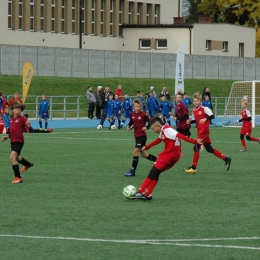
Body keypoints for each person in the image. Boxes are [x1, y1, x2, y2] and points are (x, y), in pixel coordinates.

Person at [129, 117, 202, 200]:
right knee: (156, 173)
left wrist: (194, 141)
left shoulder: (168, 130)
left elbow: (180, 135)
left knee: (153, 172)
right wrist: (147, 147)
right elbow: (159, 140)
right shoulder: (163, 129)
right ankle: (148, 193)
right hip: (174, 156)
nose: (153, 131)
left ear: (159, 126)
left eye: (153, 129)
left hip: (169, 155)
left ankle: (140, 192)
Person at [184, 92, 232, 174]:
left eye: (197, 101)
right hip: (199, 131)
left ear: (200, 101)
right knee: (209, 149)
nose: (196, 102)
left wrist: (206, 119)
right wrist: (190, 121)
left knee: (196, 147)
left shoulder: (204, 108)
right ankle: (226, 159)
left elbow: (212, 116)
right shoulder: (194, 110)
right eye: (194, 101)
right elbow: (195, 120)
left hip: (204, 131)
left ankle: (193, 167)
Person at [1, 102, 34, 184]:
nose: (17, 111)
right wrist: (7, 137)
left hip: (19, 142)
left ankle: (18, 177)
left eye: (19, 109)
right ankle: (28, 164)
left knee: (12, 157)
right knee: (16, 158)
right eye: (16, 109)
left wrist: (28, 125)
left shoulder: (22, 119)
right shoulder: (12, 119)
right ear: (13, 111)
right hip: (12, 141)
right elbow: (13, 131)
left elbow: (27, 125)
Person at [124, 99, 157, 177]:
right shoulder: (132, 114)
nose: (137, 108)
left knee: (135, 152)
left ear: (141, 106)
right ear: (133, 107)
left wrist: (146, 127)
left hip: (142, 136)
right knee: (144, 155)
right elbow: (131, 122)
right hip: (136, 136)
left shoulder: (143, 114)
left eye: (138, 106)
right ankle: (159, 161)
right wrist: (128, 126)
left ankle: (132, 171)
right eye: (135, 106)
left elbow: (150, 122)